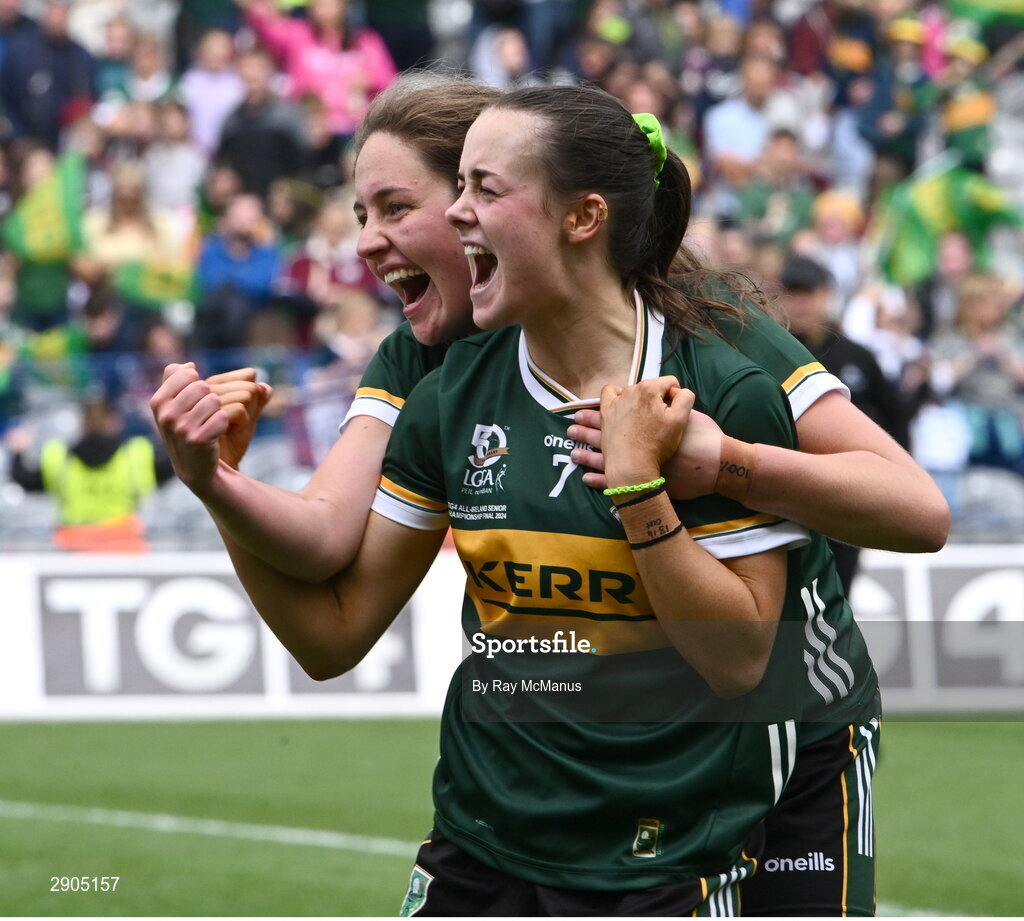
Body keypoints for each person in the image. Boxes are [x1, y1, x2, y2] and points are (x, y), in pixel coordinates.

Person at [157, 75, 947, 916]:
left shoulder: (706, 337)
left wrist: (718, 465)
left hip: (790, 724)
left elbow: (916, 510)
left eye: (399, 206)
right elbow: (324, 557)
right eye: (360, 215)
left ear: (565, 211)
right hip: (565, 778)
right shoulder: (428, 368)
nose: (370, 242)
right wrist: (216, 479)